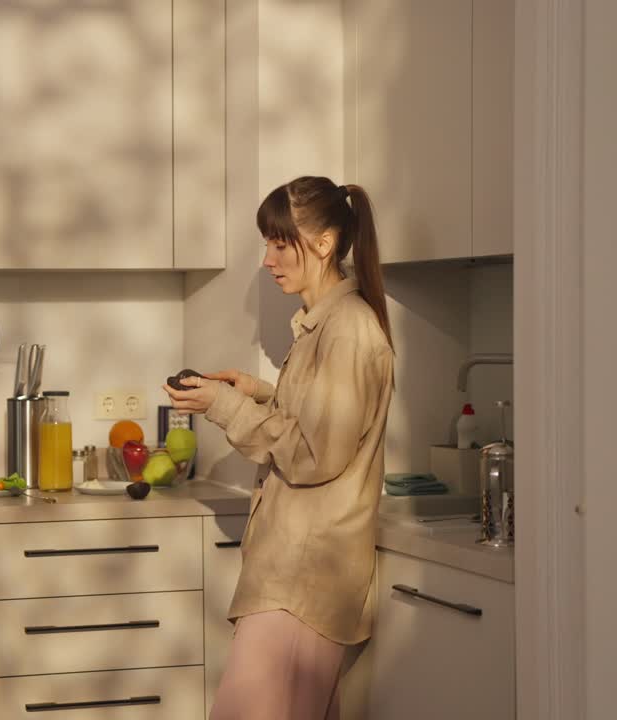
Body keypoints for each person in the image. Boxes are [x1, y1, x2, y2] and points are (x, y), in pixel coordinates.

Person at [164, 177, 394, 720]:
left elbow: (315, 455)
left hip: (305, 579)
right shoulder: (326, 326)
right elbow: (321, 421)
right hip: (293, 576)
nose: (267, 259)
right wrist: (256, 391)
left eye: (278, 242)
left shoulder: (347, 330)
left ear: (324, 242)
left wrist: (223, 406)